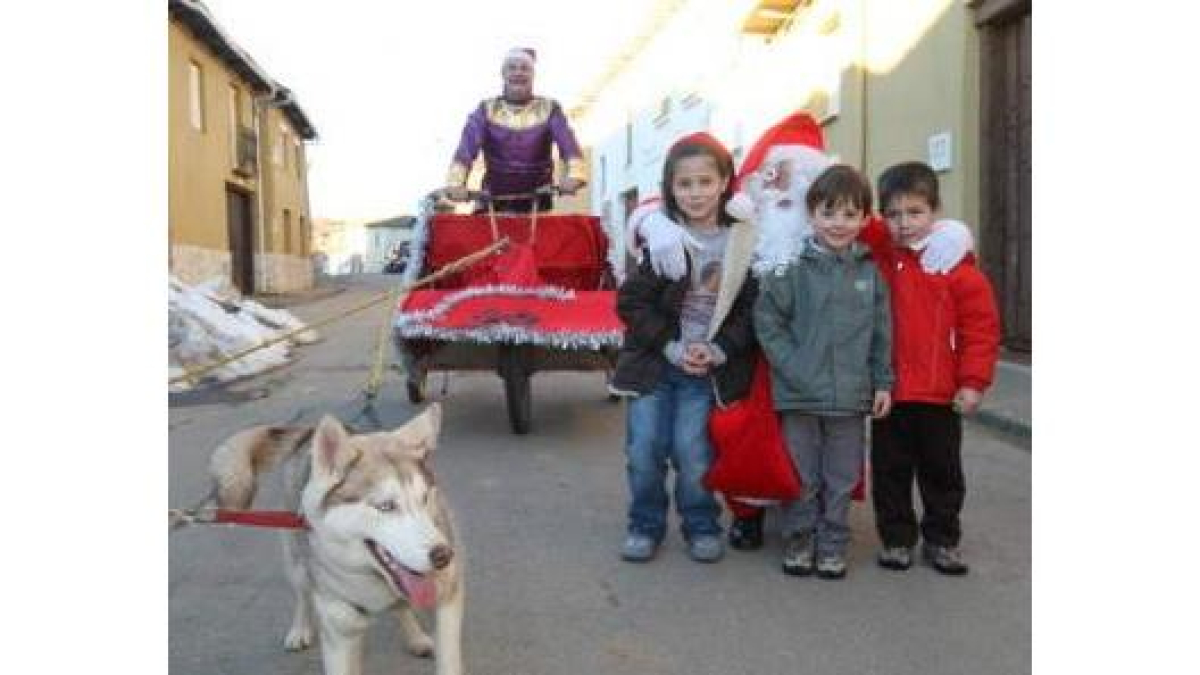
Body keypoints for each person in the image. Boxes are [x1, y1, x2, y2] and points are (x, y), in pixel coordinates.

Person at [609, 132, 759, 564]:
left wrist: (721, 350)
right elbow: (630, 302)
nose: (696, 193)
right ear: (670, 189)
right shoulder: (663, 238)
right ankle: (645, 525)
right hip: (656, 365)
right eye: (684, 184)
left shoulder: (742, 240)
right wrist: (670, 346)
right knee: (644, 451)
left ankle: (701, 524)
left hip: (704, 370)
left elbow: (751, 307)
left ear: (725, 181)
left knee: (694, 453)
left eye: (705, 182)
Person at [754, 164, 893, 580]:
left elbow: (882, 333)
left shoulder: (870, 273)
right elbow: (768, 322)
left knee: (842, 476)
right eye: (829, 212)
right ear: (811, 214)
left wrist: (883, 381)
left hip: (851, 398)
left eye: (850, 215)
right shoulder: (790, 268)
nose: (839, 223)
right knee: (803, 473)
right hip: (799, 394)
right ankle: (799, 538)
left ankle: (832, 543)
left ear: (866, 220)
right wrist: (794, 366)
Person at [869, 161, 1001, 576]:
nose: (904, 223)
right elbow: (842, 219)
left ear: (935, 212)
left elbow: (980, 331)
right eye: (892, 214)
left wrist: (973, 382)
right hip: (889, 393)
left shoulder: (959, 272)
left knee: (942, 473)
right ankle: (896, 540)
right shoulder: (882, 262)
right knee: (890, 473)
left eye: (915, 212)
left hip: (941, 396)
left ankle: (942, 540)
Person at [443, 47, 586, 212]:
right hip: (493, 198)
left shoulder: (549, 108)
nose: (518, 73)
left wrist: (575, 174)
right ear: (503, 74)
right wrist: (456, 183)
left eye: (525, 68)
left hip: (537, 198)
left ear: (533, 75)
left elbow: (568, 143)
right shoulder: (486, 109)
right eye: (512, 68)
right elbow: (466, 149)